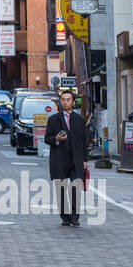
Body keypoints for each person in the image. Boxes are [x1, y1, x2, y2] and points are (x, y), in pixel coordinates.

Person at [44, 90, 88, 226]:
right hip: (59, 159)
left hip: (76, 160)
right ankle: (65, 217)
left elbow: (84, 141)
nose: (65, 102)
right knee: (61, 189)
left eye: (68, 100)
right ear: (60, 102)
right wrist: (56, 138)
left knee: (75, 188)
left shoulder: (80, 120)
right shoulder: (53, 119)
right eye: (63, 99)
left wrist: (85, 160)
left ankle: (75, 216)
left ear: (73, 102)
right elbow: (47, 139)